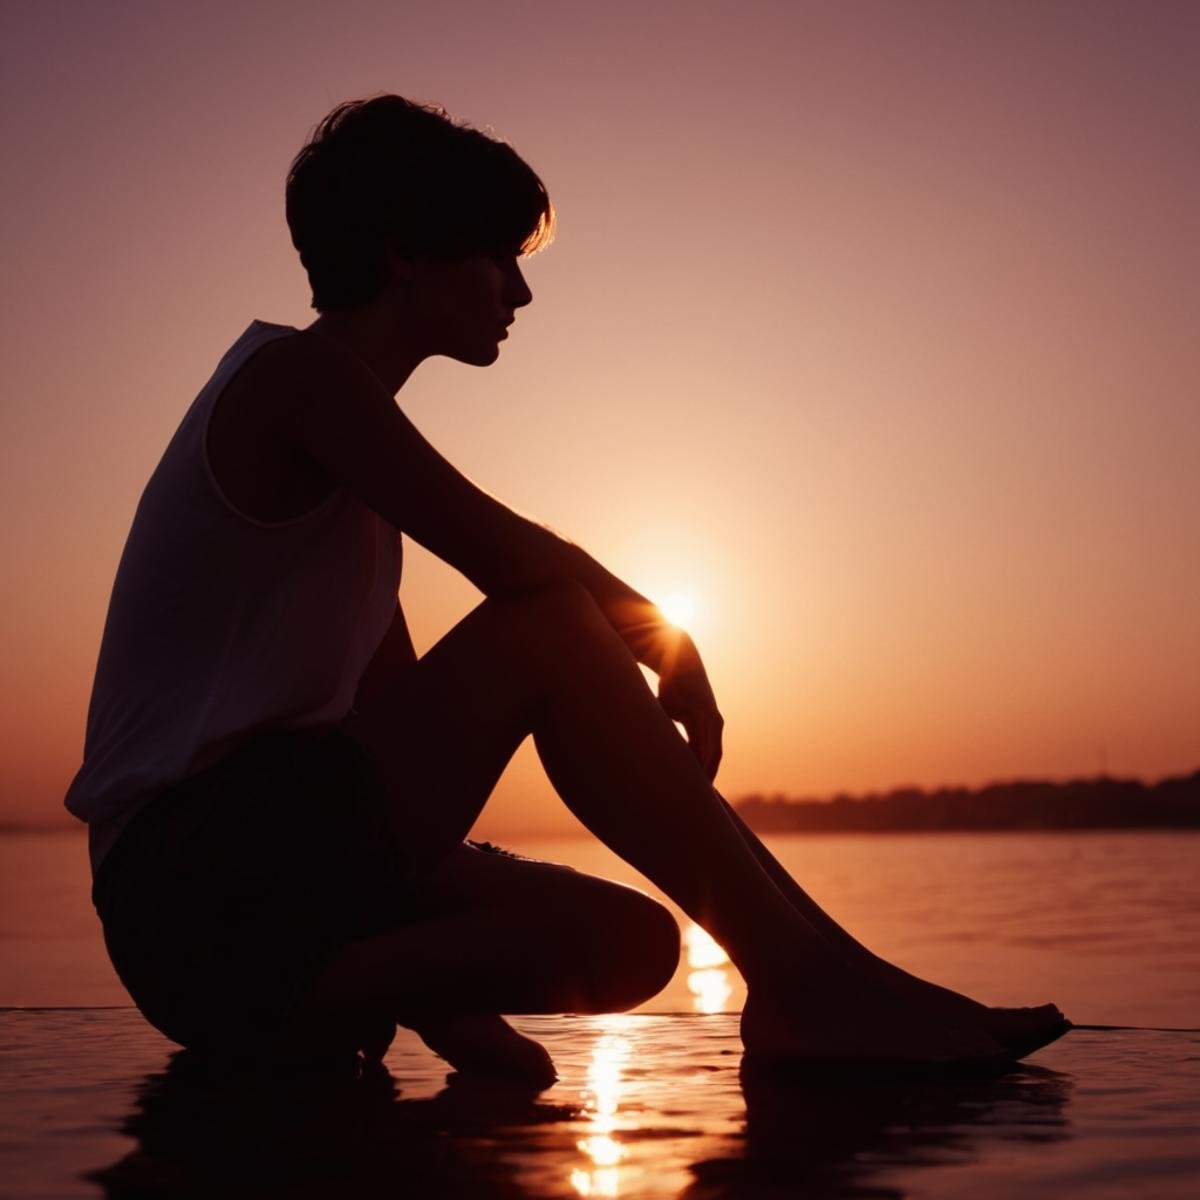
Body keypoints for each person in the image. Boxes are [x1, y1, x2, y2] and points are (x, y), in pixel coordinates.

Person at [66, 95, 1068, 1082]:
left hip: (243, 919)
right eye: (497, 255)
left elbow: (393, 781)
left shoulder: (353, 508)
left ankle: (316, 1003)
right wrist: (669, 639)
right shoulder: (294, 380)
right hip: (186, 886)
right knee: (545, 625)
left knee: (630, 944)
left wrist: (460, 1020)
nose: (520, 289)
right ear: (407, 252)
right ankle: (819, 990)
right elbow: (515, 563)